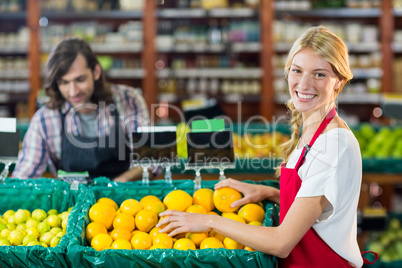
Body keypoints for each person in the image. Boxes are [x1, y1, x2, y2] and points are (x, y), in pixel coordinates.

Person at [157, 26, 377, 267]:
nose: (304, 84)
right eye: (297, 70)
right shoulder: (315, 131)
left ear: (339, 81)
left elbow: (281, 243)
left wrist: (208, 221)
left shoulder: (333, 145)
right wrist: (269, 193)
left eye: (319, 74)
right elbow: (317, 209)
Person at [12, 38, 150, 182]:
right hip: (72, 202)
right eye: (64, 82)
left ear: (95, 71)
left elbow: (151, 161)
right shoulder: (45, 119)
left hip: (126, 200)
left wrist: (116, 186)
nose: (73, 92)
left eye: (80, 80)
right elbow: (24, 176)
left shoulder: (129, 100)